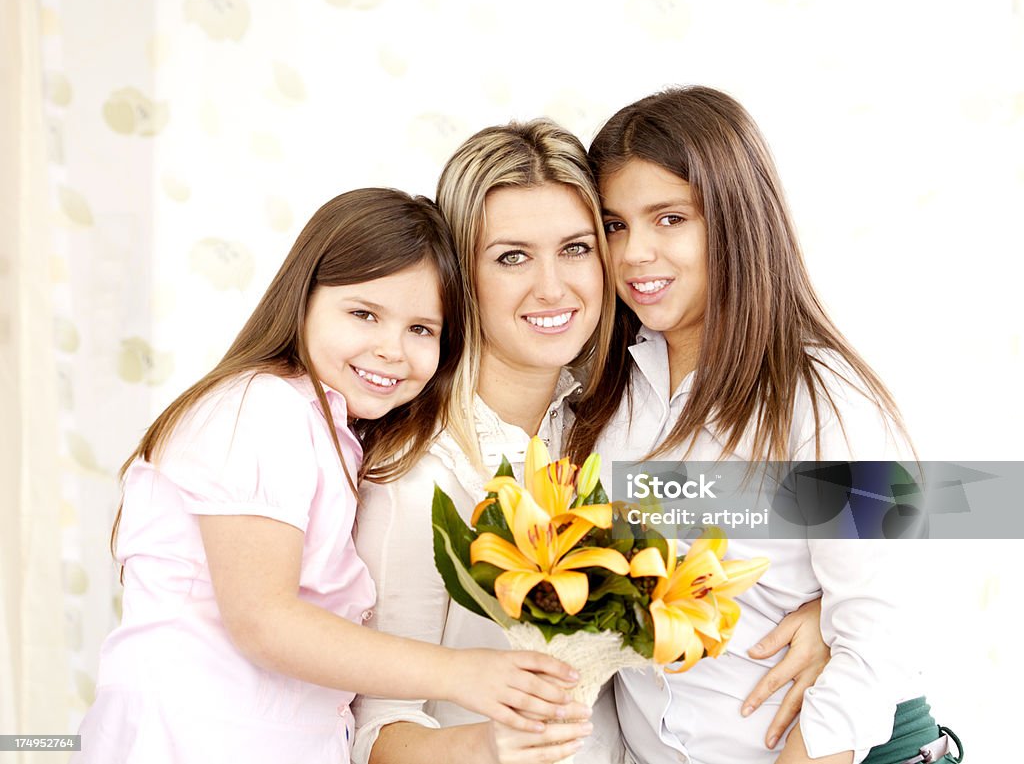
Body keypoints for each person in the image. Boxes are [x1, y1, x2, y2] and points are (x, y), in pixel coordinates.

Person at [352, 123, 829, 764]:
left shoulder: (614, 418)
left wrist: (839, 610)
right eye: (511, 256)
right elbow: (379, 732)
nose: (552, 287)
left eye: (576, 248)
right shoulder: (419, 472)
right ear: (460, 274)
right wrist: (494, 744)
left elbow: (915, 505)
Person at [73, 188, 580, 764]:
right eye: (364, 314)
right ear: (302, 299)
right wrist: (463, 674)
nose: (392, 349)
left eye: (422, 329)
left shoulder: (336, 430)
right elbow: (265, 620)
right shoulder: (259, 408)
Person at [565, 86, 927, 764]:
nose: (635, 252)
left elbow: (879, 631)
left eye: (669, 218)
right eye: (614, 225)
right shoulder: (601, 398)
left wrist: (831, 621)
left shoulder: (820, 397)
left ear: (734, 219)